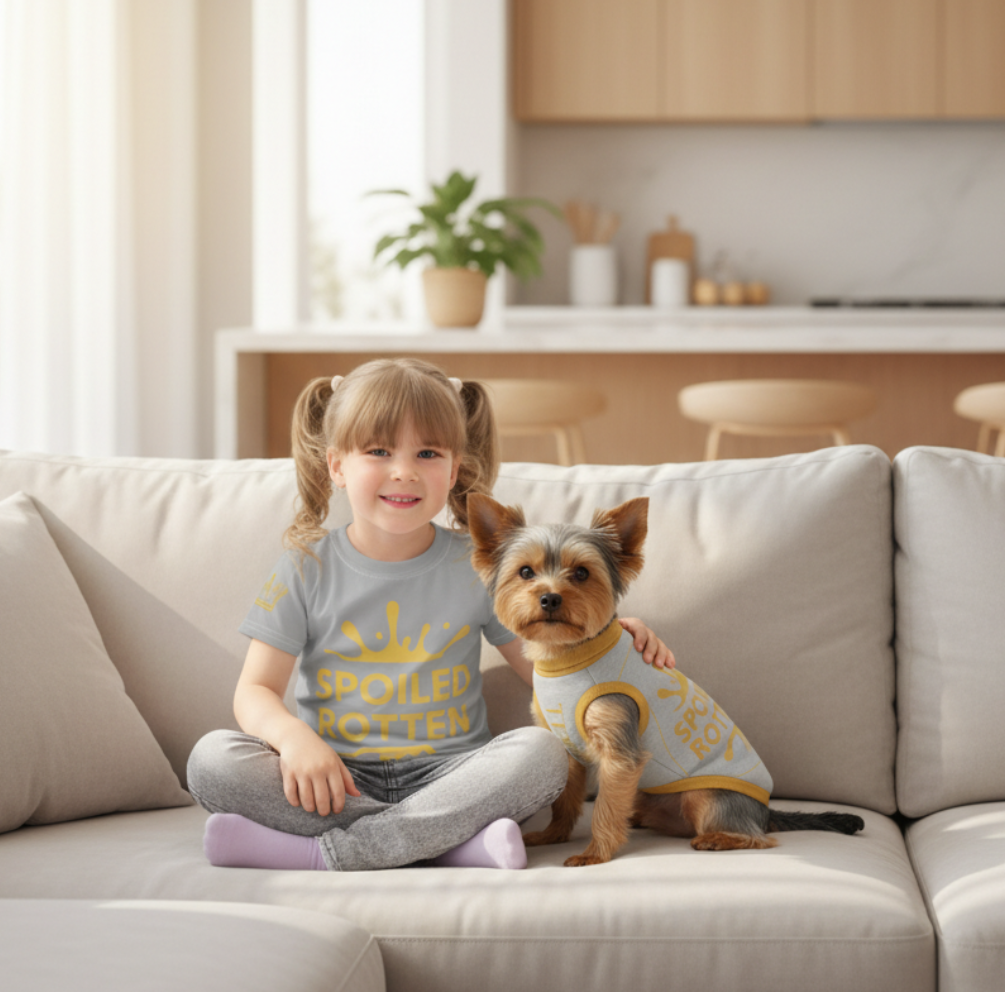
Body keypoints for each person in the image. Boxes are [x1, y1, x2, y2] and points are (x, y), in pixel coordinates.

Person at [187, 358, 674, 871]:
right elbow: (255, 691)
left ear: (455, 467)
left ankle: (326, 851)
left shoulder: (481, 567)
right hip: (335, 778)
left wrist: (610, 641)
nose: (404, 470)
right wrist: (295, 741)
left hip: (453, 773)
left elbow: (551, 671)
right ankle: (449, 842)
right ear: (336, 465)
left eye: (427, 452)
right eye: (379, 451)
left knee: (542, 755)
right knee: (211, 761)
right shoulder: (304, 567)